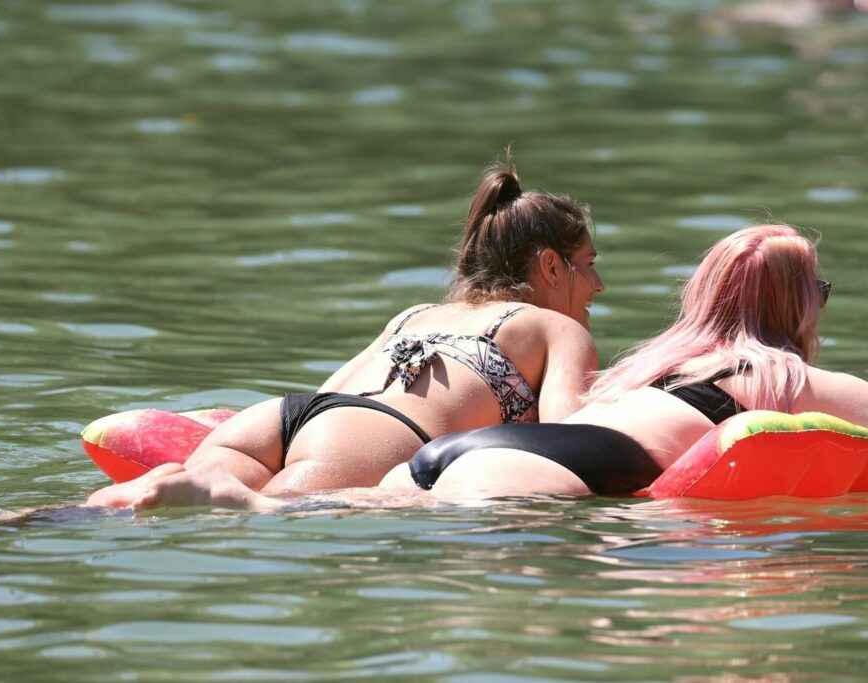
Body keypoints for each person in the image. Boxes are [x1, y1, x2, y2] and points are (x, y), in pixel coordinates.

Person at [86, 156, 605, 510]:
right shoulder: (557, 327)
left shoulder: (417, 313)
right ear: (550, 266)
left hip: (282, 418)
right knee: (280, 512)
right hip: (373, 436)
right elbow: (573, 439)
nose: (598, 285)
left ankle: (99, 501)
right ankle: (227, 498)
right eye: (588, 264)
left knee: (166, 496)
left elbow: (330, 395)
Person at [395, 223, 868, 499]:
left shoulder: (649, 369)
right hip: (538, 474)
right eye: (819, 292)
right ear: (797, 304)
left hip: (452, 455)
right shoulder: (783, 377)